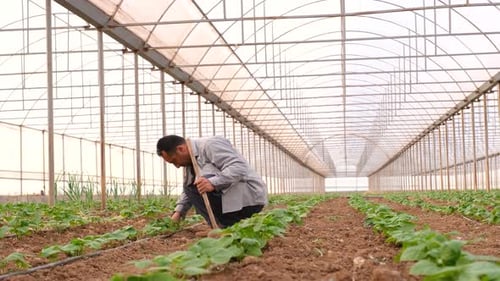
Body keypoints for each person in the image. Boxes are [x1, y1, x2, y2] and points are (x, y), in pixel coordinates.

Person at [156, 135, 268, 228]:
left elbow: (239, 167)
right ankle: (221, 226)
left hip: (249, 200)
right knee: (194, 185)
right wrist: (179, 212)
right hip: (233, 201)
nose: (177, 166)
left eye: (175, 161)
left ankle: (223, 226)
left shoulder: (210, 144)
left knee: (203, 181)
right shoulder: (190, 161)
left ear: (181, 149)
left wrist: (213, 183)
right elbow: (189, 189)